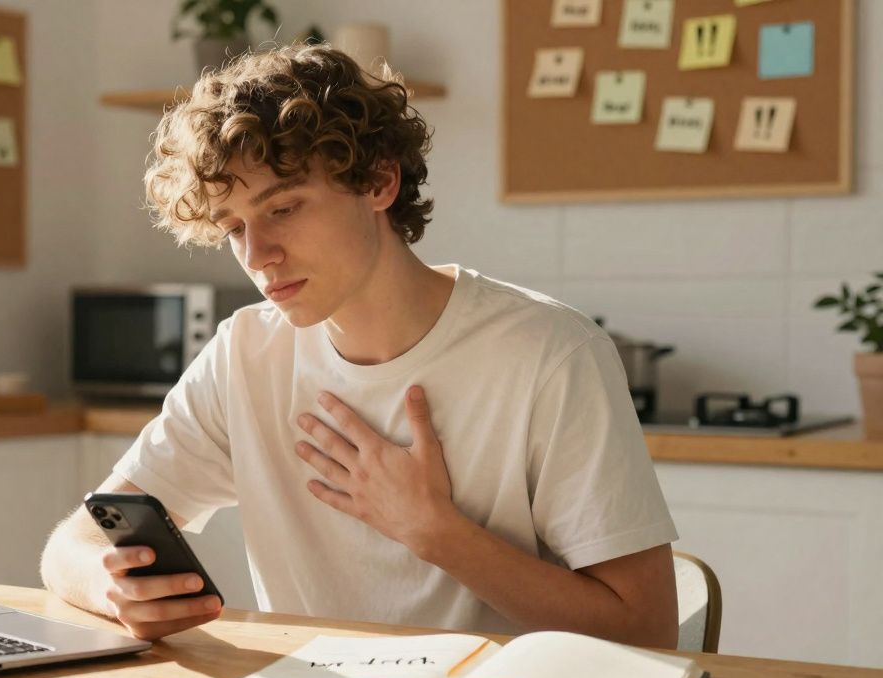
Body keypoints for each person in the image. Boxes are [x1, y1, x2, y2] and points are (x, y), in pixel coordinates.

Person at [40, 44, 679, 647]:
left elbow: (648, 632)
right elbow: (72, 543)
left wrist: (436, 533)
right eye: (234, 227)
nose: (257, 256)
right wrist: (106, 585)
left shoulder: (551, 354)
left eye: (283, 208)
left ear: (378, 182)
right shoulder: (244, 354)